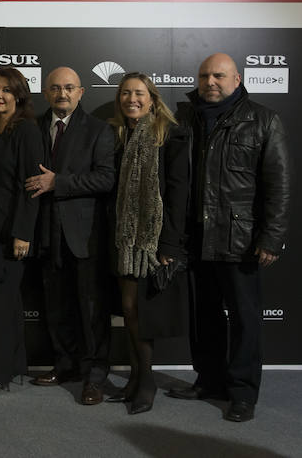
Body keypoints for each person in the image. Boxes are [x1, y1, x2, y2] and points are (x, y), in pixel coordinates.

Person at [166, 53, 290, 422]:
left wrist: (272, 237)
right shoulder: (185, 117)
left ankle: (242, 393)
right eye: (204, 75)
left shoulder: (264, 120)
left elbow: (279, 185)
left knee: (245, 320)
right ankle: (209, 380)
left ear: (237, 79)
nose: (210, 82)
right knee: (204, 317)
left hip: (241, 239)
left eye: (219, 75)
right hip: (196, 238)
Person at [26, 66, 116, 405]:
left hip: (85, 236)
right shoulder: (34, 128)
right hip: (46, 234)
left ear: (81, 93)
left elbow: (106, 179)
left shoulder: (99, 130)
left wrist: (58, 183)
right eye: (55, 88)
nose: (62, 93)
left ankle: (94, 377)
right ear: (46, 93)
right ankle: (65, 366)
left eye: (69, 88)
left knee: (91, 311)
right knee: (56, 307)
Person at [105, 72, 190, 415]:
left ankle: (147, 381)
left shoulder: (169, 135)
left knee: (141, 310)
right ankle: (137, 376)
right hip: (126, 239)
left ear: (152, 99)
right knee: (128, 308)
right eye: (125, 93)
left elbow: (178, 194)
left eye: (139, 93)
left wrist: (169, 245)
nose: (131, 99)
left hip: (153, 242)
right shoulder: (120, 135)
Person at [0, 68, 44, 396]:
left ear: (19, 94)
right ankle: (13, 366)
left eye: (6, 90)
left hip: (12, 233)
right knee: (7, 303)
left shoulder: (26, 132)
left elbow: (31, 187)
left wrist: (23, 233)